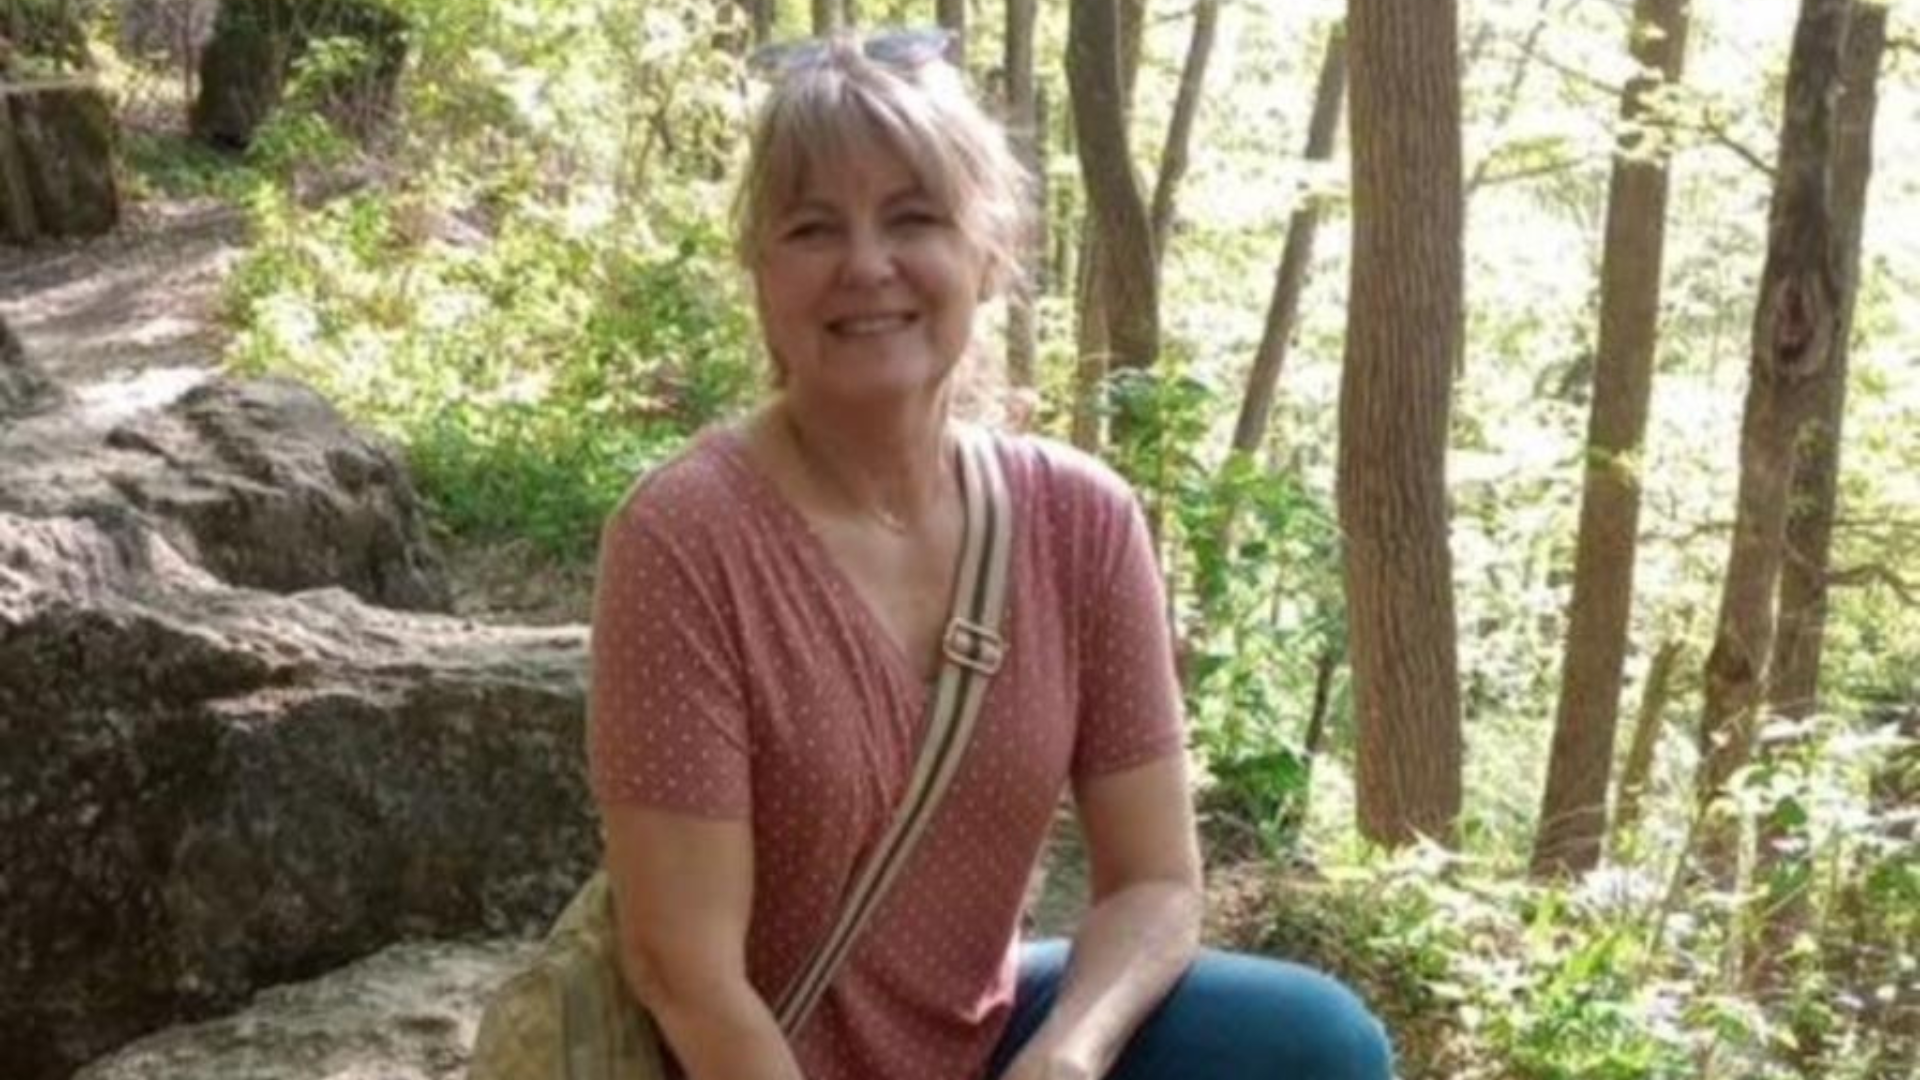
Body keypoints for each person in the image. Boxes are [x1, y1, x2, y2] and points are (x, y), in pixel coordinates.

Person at [585, 28, 1394, 1080]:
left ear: (991, 253)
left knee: (1314, 1043)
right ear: (762, 273)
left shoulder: (1080, 522)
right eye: (813, 228)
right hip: (750, 1061)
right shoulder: (686, 538)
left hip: (983, 1041)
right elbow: (682, 971)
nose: (866, 265)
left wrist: (1068, 1055)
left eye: (913, 218)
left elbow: (1156, 883)